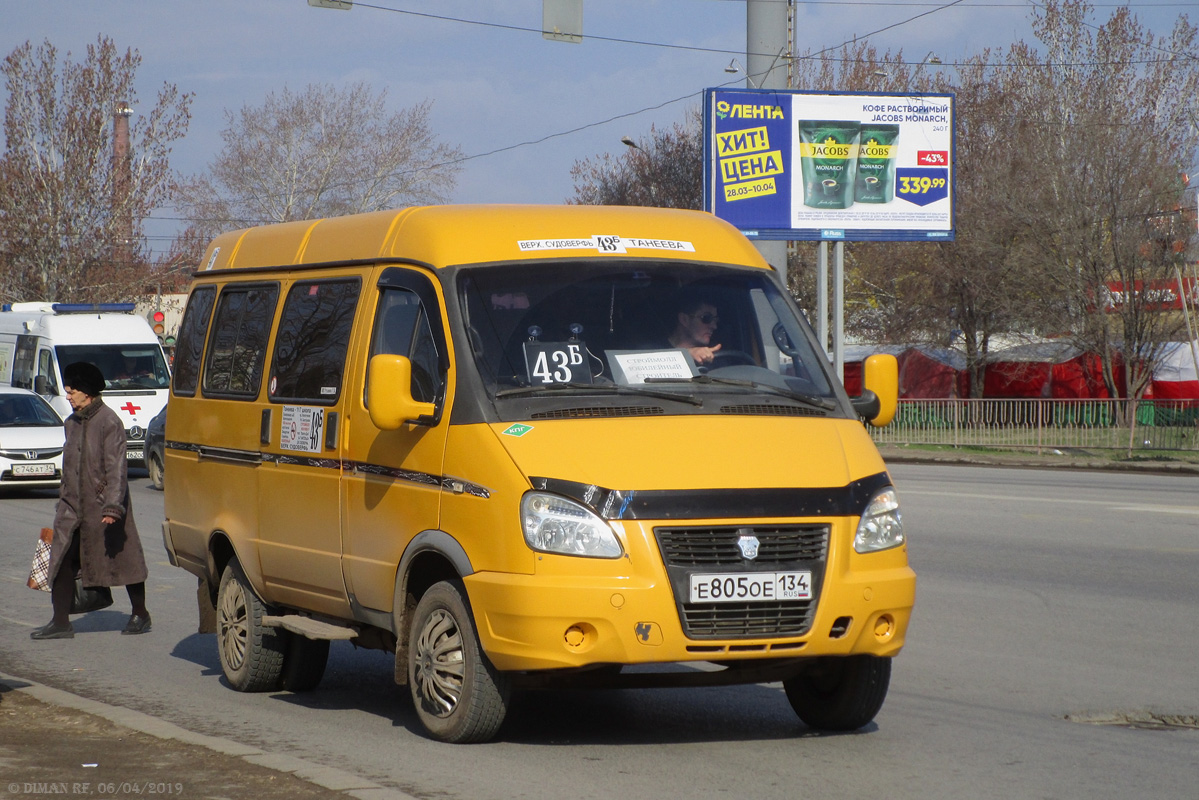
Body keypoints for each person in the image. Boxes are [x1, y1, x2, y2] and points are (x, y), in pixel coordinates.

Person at [30, 362, 151, 640]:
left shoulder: (109, 422)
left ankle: (140, 613)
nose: (69, 396)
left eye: (72, 391)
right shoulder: (70, 423)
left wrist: (112, 506)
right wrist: (62, 502)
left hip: (104, 509)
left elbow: (116, 468)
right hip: (71, 509)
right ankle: (60, 622)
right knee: (61, 561)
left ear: (87, 391)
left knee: (124, 561)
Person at [667, 291, 723, 366]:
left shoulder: (716, 358)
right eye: (706, 318)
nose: (714, 326)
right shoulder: (652, 351)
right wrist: (686, 354)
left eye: (715, 320)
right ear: (684, 320)